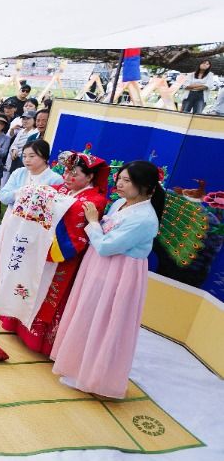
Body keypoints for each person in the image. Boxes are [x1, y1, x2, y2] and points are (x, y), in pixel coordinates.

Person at [51, 161, 164, 398]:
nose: (119, 184)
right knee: (88, 315)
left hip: (119, 273)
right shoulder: (120, 204)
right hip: (100, 267)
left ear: (145, 187)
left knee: (105, 322)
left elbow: (105, 245)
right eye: (119, 178)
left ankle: (94, 377)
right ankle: (77, 365)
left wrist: (93, 222)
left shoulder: (144, 219)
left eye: (127, 181)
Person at [0, 152, 109, 355]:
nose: (67, 177)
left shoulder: (95, 200)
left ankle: (39, 339)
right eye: (66, 172)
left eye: (74, 173)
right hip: (41, 250)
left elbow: (74, 216)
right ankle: (17, 322)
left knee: (49, 294)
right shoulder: (60, 190)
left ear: (90, 177)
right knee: (30, 284)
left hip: (63, 257)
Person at [0, 140, 63, 208]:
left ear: (44, 157)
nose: (27, 160)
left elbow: (56, 207)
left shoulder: (55, 179)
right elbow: (3, 196)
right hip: (12, 216)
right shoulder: (19, 173)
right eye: (24, 156)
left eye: (31, 156)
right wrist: (18, 193)